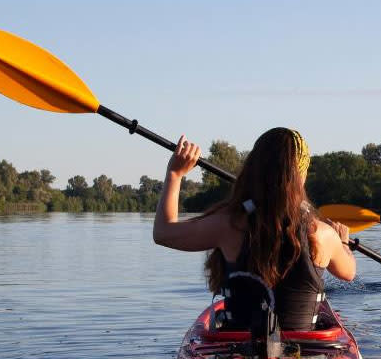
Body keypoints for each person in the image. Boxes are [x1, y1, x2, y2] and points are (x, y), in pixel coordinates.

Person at [152, 127, 355, 331]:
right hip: (306, 352)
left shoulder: (228, 224)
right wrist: (342, 242)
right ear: (302, 176)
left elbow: (163, 233)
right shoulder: (322, 234)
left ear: (254, 169)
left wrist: (175, 174)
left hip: (238, 351)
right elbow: (349, 273)